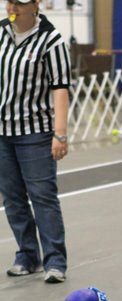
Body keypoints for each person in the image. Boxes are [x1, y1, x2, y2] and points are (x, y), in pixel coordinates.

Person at [0, 0, 71, 283]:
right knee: (13, 199)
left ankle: (55, 260)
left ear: (35, 5)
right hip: (2, 132)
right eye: (9, 1)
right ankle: (27, 255)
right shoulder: (1, 33)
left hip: (35, 133)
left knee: (43, 198)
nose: (11, 6)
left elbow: (60, 88)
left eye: (19, 2)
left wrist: (60, 133)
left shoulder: (51, 39)